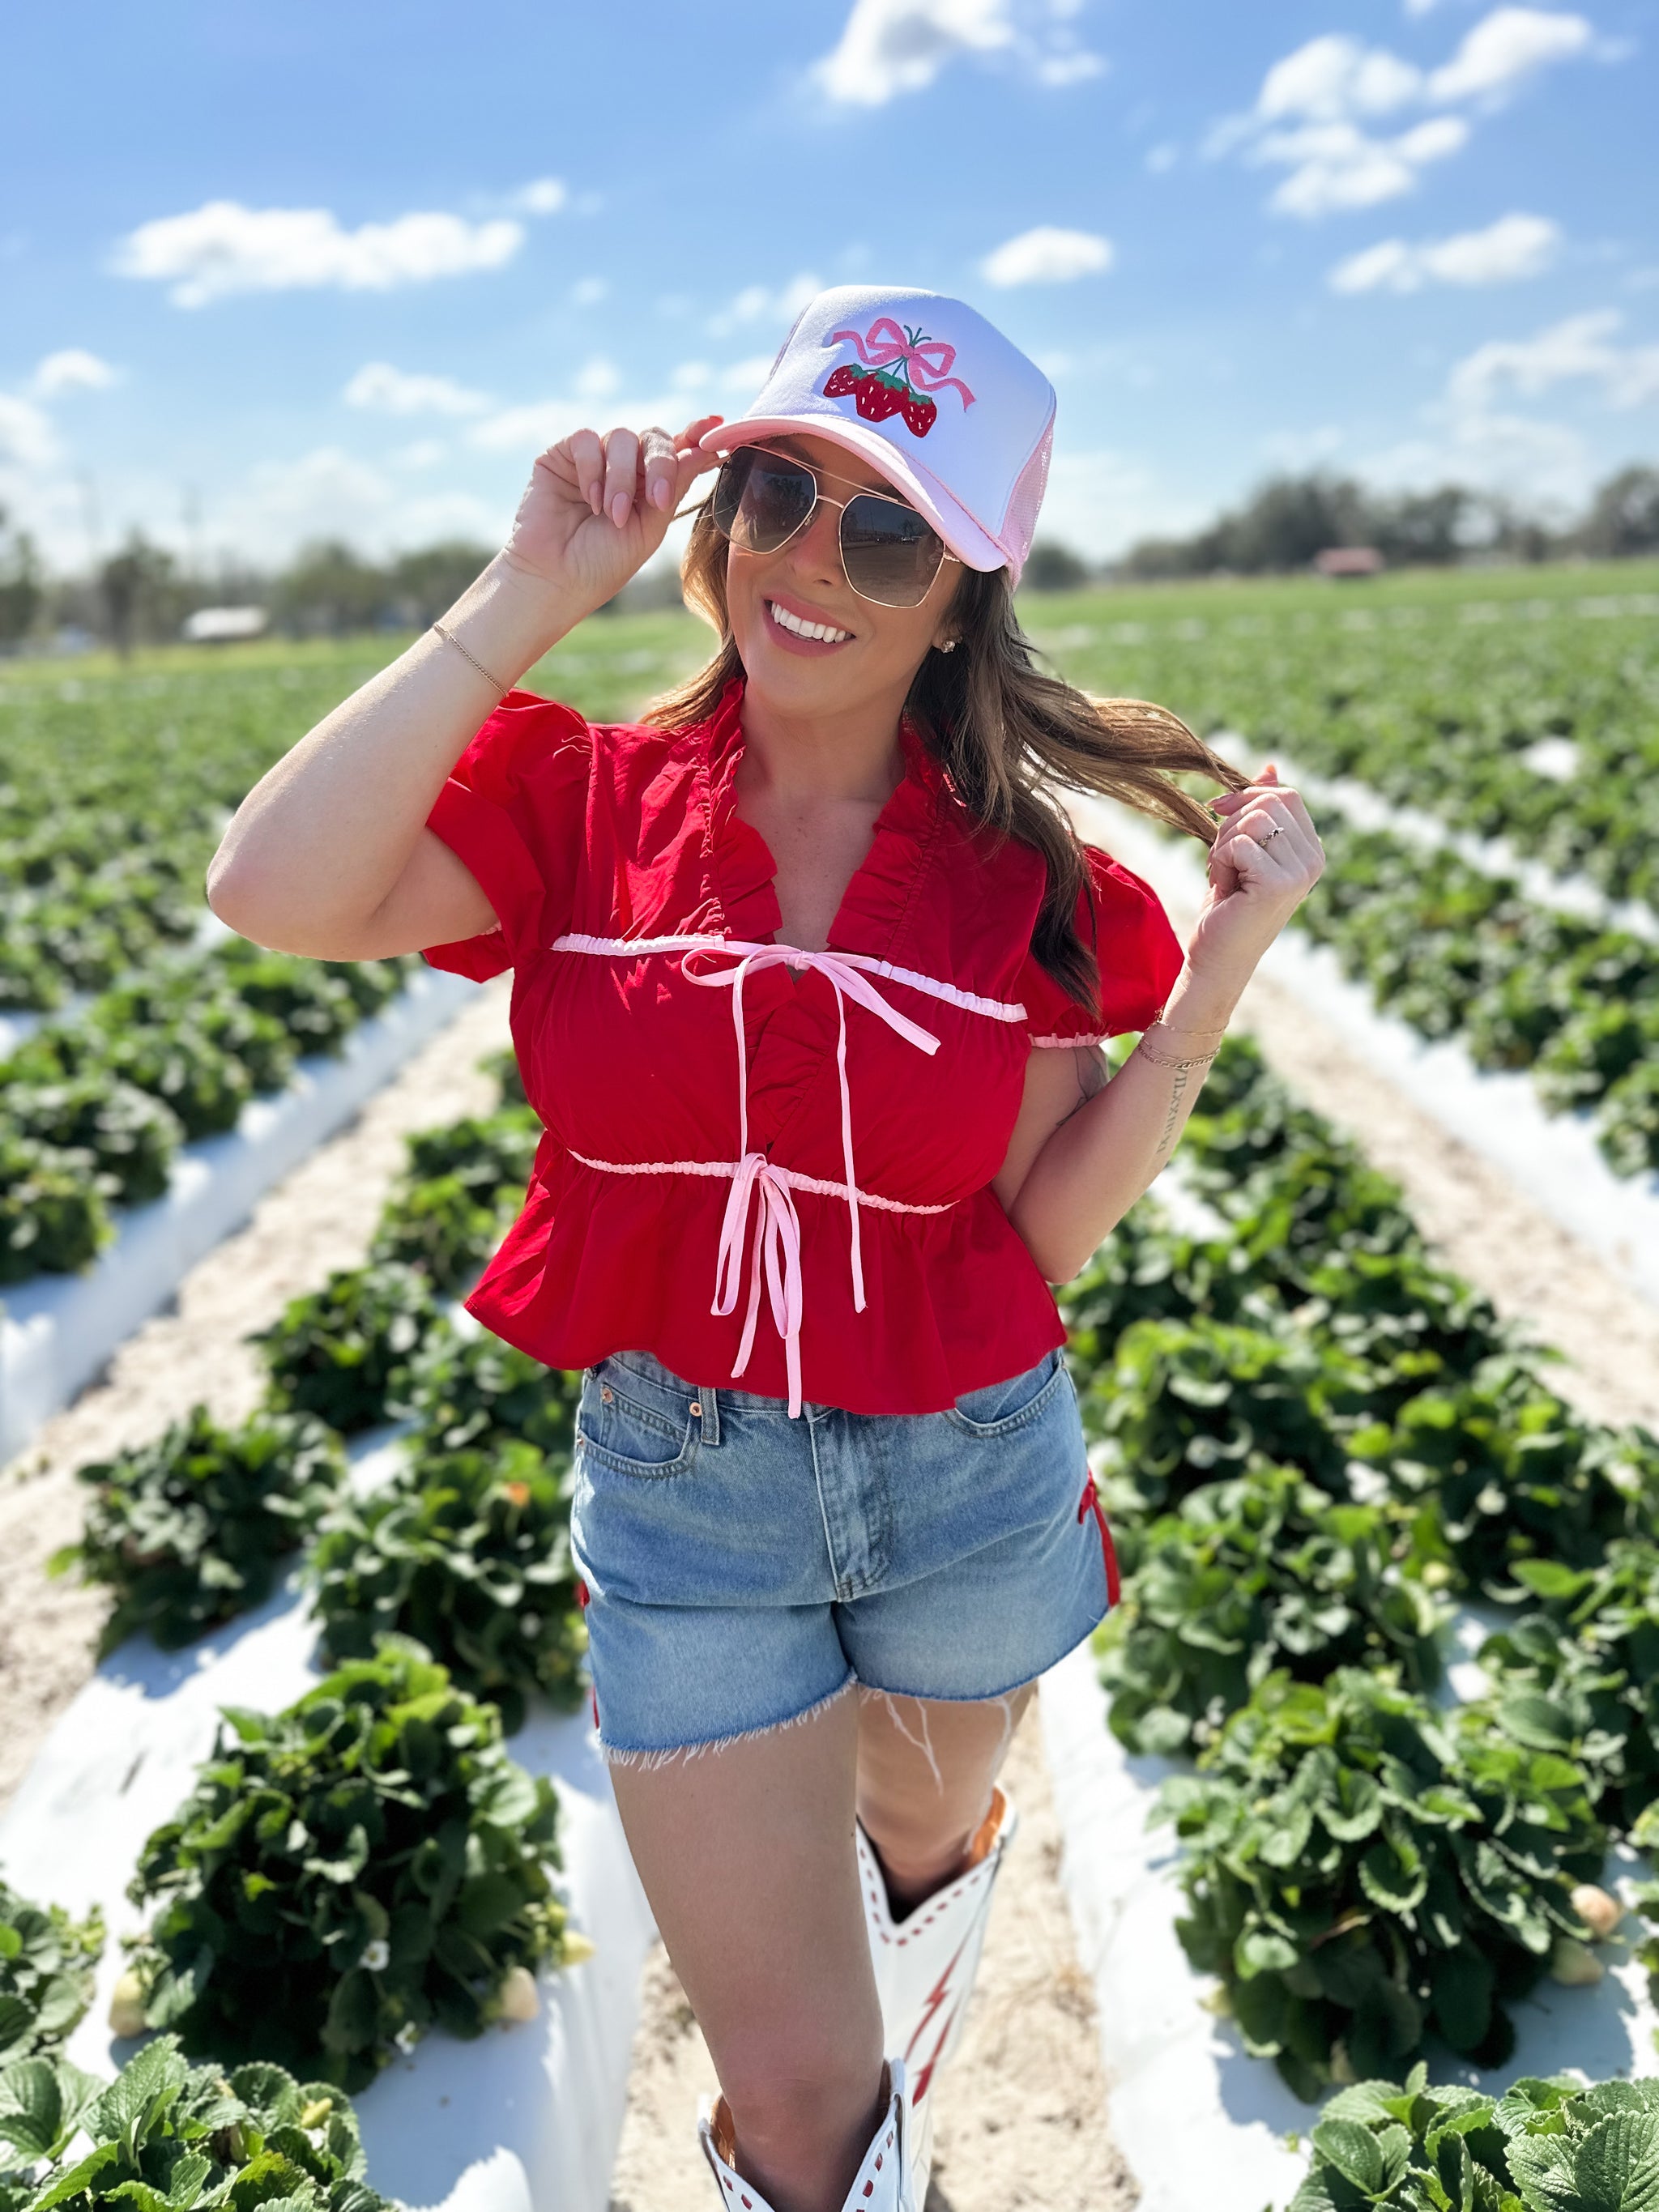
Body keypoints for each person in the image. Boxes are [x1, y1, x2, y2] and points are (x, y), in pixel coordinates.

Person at [207, 283, 1324, 2212]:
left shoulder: (1024, 884)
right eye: (780, 493)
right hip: (686, 1492)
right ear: (720, 518)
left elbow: (1038, 1232)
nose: (812, 558)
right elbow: (269, 886)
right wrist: (531, 587)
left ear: (959, 601)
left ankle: (910, 1995)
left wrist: (1213, 977)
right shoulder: (581, 808)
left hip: (963, 1478)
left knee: (920, 1849)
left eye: (887, 533)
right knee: (800, 2110)